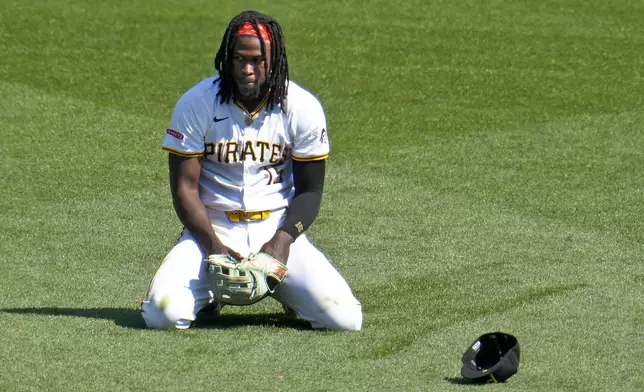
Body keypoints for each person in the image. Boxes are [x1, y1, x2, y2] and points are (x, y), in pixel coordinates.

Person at [141, 10, 362, 331]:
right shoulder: (197, 103)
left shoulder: (301, 107)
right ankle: (211, 297)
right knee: (163, 316)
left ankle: (287, 292)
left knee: (345, 320)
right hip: (211, 230)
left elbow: (310, 192)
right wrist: (215, 249)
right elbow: (184, 189)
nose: (247, 69)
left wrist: (281, 244)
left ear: (273, 60)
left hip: (276, 230)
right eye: (238, 59)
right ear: (227, 59)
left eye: (257, 60)